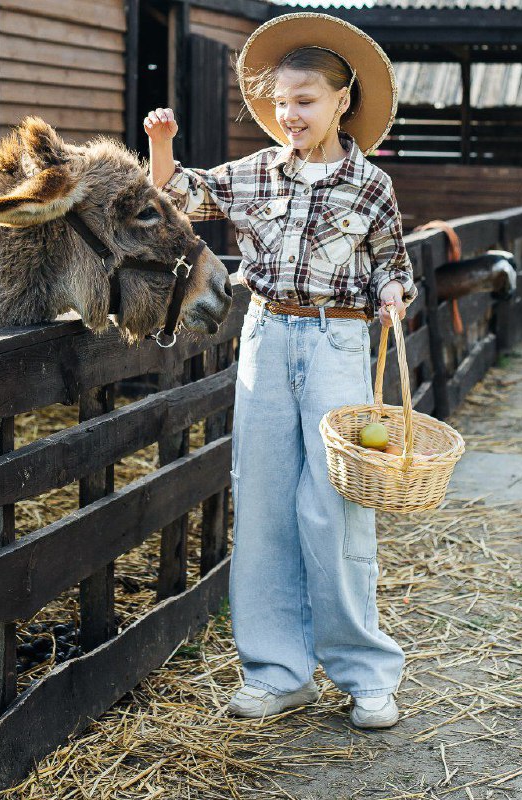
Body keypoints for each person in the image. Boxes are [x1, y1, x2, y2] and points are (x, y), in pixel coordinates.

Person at [144, 12, 417, 729]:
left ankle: (365, 675)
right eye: (281, 103)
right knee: (262, 504)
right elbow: (176, 199)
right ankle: (278, 672)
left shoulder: (370, 187)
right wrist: (162, 145)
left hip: (338, 345)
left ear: (342, 101)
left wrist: (393, 291)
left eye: (305, 100)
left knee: (334, 509)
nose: (289, 114)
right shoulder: (254, 173)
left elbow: (394, 265)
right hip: (266, 336)